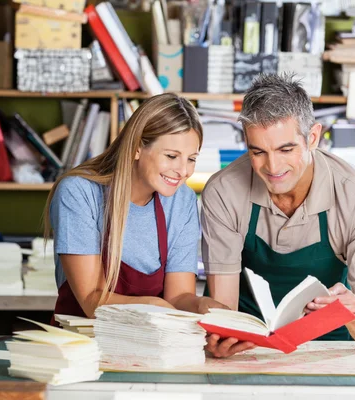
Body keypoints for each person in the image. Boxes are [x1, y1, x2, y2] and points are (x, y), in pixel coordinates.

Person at [201, 73, 355, 358]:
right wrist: (220, 336)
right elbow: (224, 305)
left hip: (328, 349)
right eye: (258, 152)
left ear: (312, 137)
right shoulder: (224, 191)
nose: (272, 167)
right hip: (247, 349)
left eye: (286, 149)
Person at [44, 93, 227, 324]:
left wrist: (201, 305)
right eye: (171, 156)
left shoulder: (182, 201)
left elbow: (178, 296)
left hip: (149, 348)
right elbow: (92, 301)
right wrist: (153, 305)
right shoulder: (79, 193)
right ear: (137, 148)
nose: (183, 171)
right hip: (82, 348)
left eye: (191, 159)